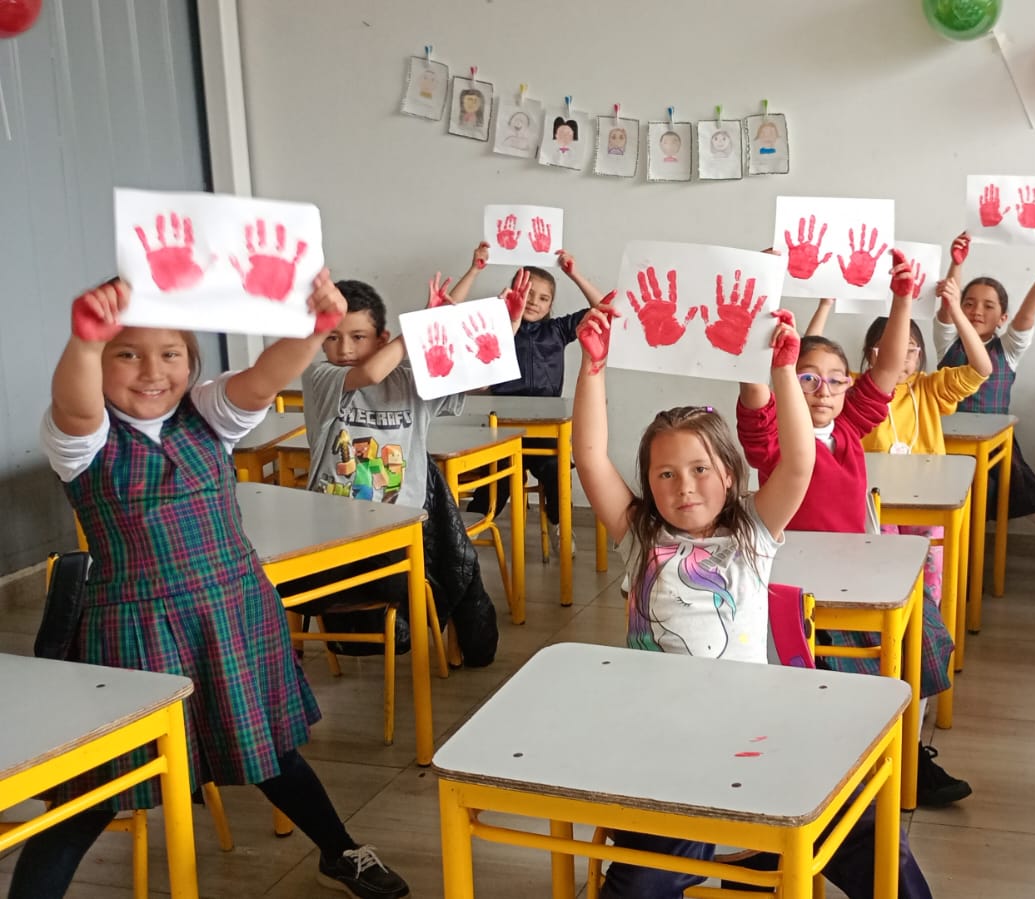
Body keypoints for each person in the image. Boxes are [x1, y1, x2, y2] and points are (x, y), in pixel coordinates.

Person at [23, 276, 409, 899]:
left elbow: (261, 376)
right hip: (136, 628)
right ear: (99, 363)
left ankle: (340, 852)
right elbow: (75, 405)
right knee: (96, 788)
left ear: (191, 363)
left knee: (269, 750)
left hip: (233, 609)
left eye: (170, 355)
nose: (153, 372)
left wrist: (315, 327)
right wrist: (83, 341)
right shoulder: (83, 439)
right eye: (127, 354)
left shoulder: (206, 412)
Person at [571, 299, 933, 898]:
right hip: (665, 744)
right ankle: (720, 853)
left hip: (754, 731)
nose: (684, 486)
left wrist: (784, 370)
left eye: (700, 469)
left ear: (732, 476)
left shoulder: (753, 533)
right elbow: (589, 456)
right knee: (644, 880)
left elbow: (798, 461)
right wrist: (592, 370)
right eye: (664, 474)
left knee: (869, 832)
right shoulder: (640, 535)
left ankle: (769, 851)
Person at [743, 253, 966, 807]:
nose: (822, 390)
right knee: (840, 677)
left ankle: (907, 754)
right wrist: (764, 303)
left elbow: (889, 368)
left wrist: (901, 298)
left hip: (862, 573)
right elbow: (755, 389)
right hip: (800, 585)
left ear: (850, 386)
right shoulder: (774, 438)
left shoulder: (849, 428)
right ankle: (845, 762)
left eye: (835, 380)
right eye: (808, 379)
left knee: (923, 639)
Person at [298, 276, 501, 664]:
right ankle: (408, 625)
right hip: (331, 537)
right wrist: (419, 328)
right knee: (429, 579)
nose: (344, 349)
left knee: (440, 570)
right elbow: (370, 374)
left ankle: (430, 629)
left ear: (381, 338)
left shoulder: (412, 382)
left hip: (398, 534)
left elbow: (477, 375)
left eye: (358, 337)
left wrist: (504, 326)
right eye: (332, 337)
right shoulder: (321, 377)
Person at [936, 229, 1035, 594]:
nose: (977, 310)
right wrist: (956, 264)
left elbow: (1027, 314)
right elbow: (947, 310)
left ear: (1002, 318)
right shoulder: (948, 341)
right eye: (969, 302)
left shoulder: (1007, 349)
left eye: (988, 306)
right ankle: (945, 571)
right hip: (946, 446)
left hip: (997, 448)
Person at [446, 241, 610, 529]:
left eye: (543, 298)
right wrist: (475, 269)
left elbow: (605, 309)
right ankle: (463, 537)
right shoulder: (496, 329)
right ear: (513, 294)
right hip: (499, 427)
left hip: (543, 427)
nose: (534, 301)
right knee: (500, 480)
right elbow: (446, 314)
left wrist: (575, 275)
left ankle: (561, 526)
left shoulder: (557, 330)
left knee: (554, 471)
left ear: (550, 305)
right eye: (528, 293)